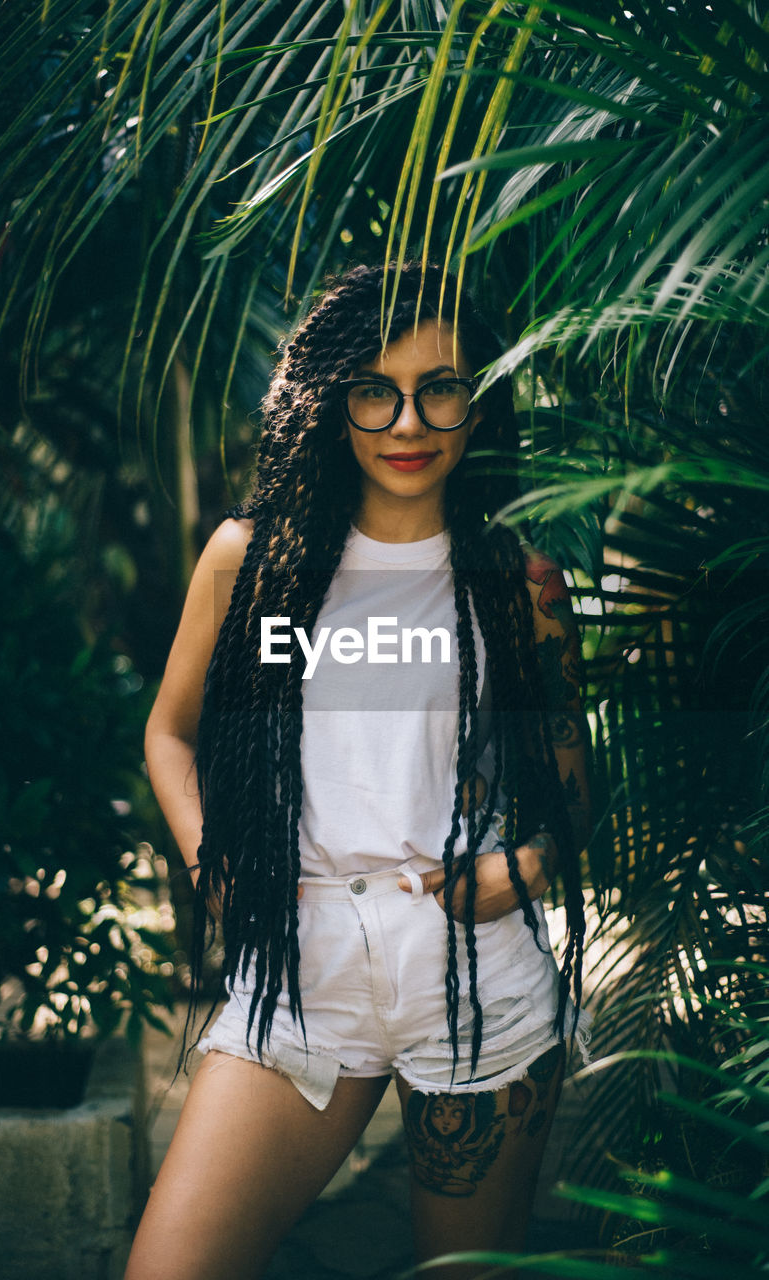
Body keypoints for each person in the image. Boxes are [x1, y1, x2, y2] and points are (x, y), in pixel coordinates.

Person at [125, 262, 591, 1280]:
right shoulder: (247, 564)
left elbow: (567, 786)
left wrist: (523, 868)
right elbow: (169, 733)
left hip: (475, 981)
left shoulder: (521, 585)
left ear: (480, 400)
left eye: (442, 386)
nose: (407, 419)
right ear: (329, 403)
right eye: (374, 389)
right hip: (301, 975)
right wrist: (214, 855)